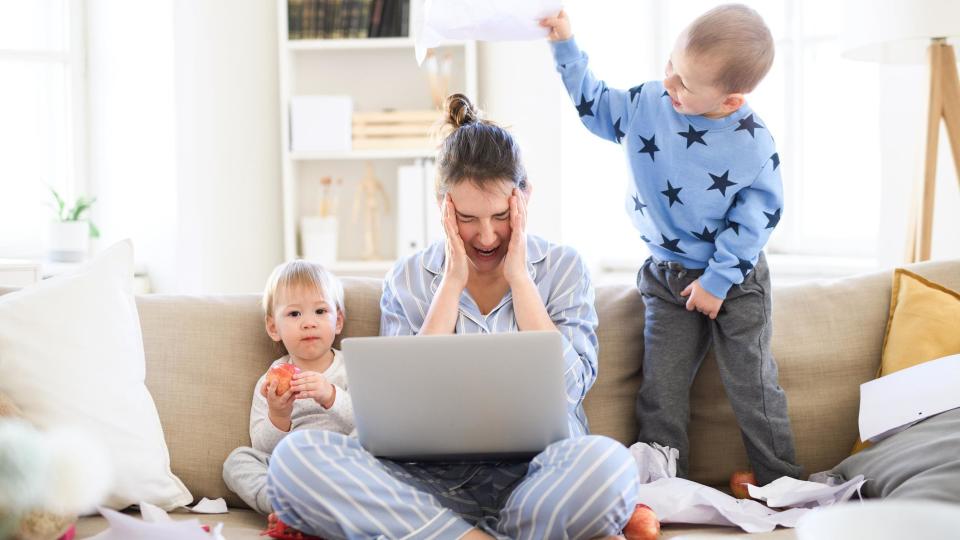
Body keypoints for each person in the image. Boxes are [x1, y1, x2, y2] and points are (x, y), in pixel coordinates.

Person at [265, 94, 640, 539]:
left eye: (501, 215)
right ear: (443, 206)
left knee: (610, 467)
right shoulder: (408, 279)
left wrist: (520, 279)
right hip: (422, 483)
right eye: (467, 218)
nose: (486, 236)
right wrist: (452, 281)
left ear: (525, 197)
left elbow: (569, 391)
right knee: (295, 462)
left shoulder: (562, 268)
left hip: (537, 479)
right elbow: (398, 409)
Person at [540, 5, 802, 486]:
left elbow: (757, 218)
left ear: (730, 99)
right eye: (670, 67)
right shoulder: (648, 104)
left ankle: (782, 480)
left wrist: (718, 281)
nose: (670, 85)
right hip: (668, 276)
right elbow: (594, 106)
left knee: (753, 384)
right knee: (661, 387)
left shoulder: (753, 143)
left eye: (685, 83)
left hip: (736, 279)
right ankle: (659, 484)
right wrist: (564, 44)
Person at [223, 260, 353, 515]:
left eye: (320, 311)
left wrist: (331, 396)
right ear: (273, 327)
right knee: (237, 461)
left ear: (338, 321)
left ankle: (313, 509)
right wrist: (278, 416)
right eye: (294, 314)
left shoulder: (351, 367)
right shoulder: (269, 381)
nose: (308, 323)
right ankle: (283, 507)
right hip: (291, 471)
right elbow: (263, 447)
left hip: (341, 461)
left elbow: (369, 427)